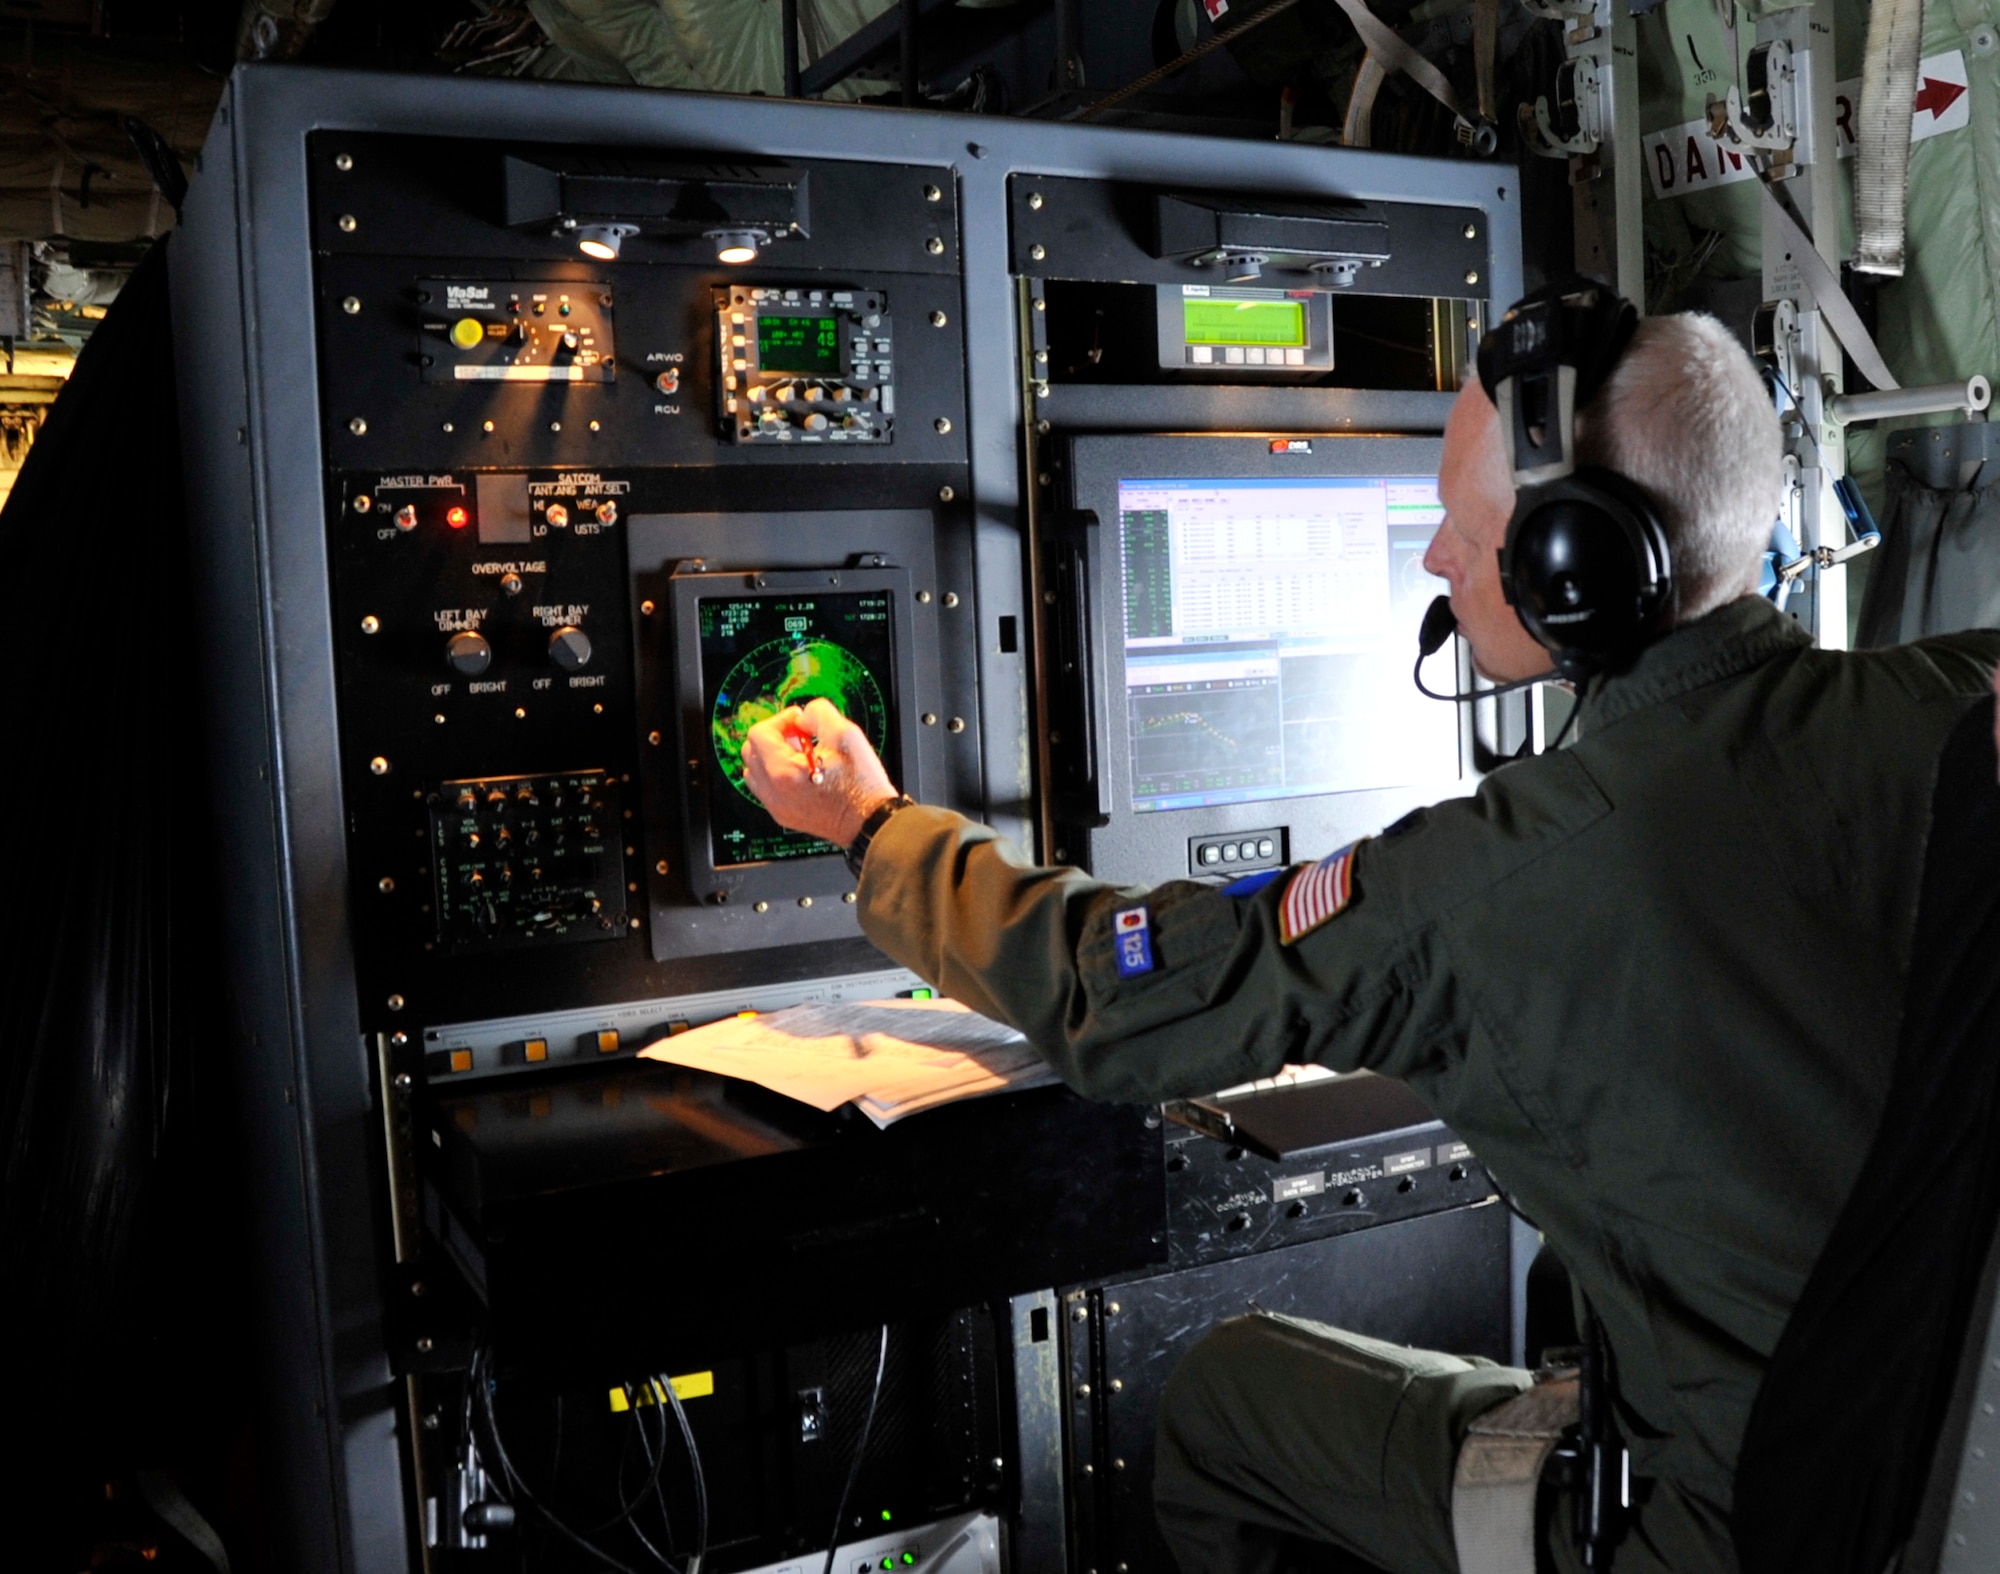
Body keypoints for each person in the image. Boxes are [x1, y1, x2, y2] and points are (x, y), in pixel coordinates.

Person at [740, 301, 2000, 1574]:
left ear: (1578, 562)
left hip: (1735, 1529)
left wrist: (871, 826)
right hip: (1943, 1502)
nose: (1436, 561)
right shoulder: (1962, 708)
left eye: (1465, 526)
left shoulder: (1496, 875)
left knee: (1229, 1398)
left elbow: (1114, 1002)